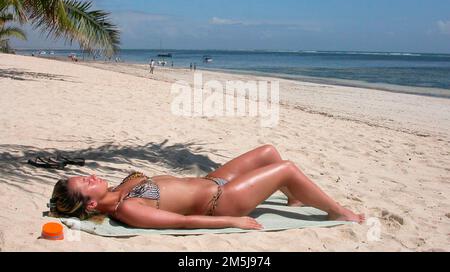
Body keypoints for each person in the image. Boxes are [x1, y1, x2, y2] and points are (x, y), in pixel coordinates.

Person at [49, 145, 365, 230]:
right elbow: (183, 221)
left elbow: (144, 180)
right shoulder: (128, 209)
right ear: (90, 204)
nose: (91, 177)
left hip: (213, 180)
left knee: (268, 151)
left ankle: (295, 198)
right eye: (86, 183)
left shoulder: (119, 189)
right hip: (223, 201)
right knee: (286, 169)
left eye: (85, 175)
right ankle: (337, 213)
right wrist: (232, 220)